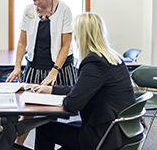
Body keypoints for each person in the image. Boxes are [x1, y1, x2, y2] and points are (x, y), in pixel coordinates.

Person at [33, 12, 142, 150]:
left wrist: (66, 98)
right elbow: (82, 89)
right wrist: (52, 90)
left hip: (104, 137)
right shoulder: (112, 58)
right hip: (122, 132)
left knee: (44, 129)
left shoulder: (94, 62)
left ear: (81, 36)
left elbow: (72, 104)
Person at [6, 0, 77, 144]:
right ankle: (16, 147)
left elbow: (65, 45)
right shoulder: (29, 10)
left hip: (59, 68)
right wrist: (17, 66)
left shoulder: (64, 10)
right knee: (27, 113)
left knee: (52, 113)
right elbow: (22, 42)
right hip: (34, 67)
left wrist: (54, 72)